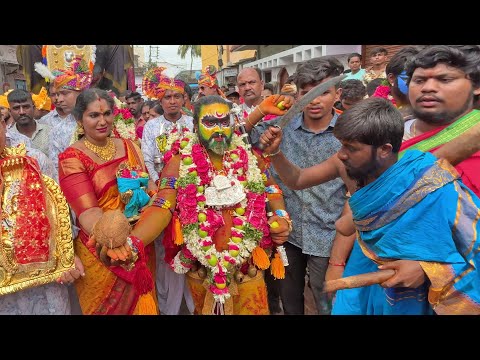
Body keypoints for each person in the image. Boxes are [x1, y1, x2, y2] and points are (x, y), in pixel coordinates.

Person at [330, 97, 480, 315]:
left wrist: (430, 270)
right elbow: (347, 226)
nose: (341, 155)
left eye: (350, 148)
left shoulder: (439, 188)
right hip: (374, 289)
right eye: (418, 79)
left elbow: (474, 245)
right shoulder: (376, 176)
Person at [151, 95, 291, 315]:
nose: (219, 130)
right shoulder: (180, 161)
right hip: (201, 268)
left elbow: (272, 190)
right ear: (195, 126)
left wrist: (281, 216)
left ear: (232, 124)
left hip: (247, 268)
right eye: (210, 123)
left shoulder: (247, 155)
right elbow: (162, 204)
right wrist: (135, 241)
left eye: (224, 122)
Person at [249, 56, 349, 315]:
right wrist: (259, 111)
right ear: (297, 94)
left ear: (337, 94)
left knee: (326, 302)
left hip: (328, 236)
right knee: (289, 301)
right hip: (286, 234)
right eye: (306, 93)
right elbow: (231, 141)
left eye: (323, 93)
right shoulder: (276, 129)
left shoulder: (348, 133)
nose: (314, 100)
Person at [58, 88, 159, 315]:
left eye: (107, 114)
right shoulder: (71, 158)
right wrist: (116, 242)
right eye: (94, 115)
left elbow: (149, 186)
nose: (102, 121)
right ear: (80, 119)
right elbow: (88, 212)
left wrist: (156, 208)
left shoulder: (129, 145)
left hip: (140, 240)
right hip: (104, 253)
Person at [0, 108, 82, 315]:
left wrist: (67, 257)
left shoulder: (33, 161)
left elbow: (58, 210)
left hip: (45, 276)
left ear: (4, 126)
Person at [140, 66, 195, 315]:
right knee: (165, 248)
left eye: (176, 96)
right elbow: (147, 160)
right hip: (163, 196)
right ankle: (167, 306)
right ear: (160, 100)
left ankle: (195, 303)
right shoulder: (152, 127)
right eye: (167, 97)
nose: (172, 101)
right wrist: (158, 189)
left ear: (184, 99)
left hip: (194, 195)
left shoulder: (193, 124)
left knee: (193, 243)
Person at [400, 45, 480, 197]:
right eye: (419, 80)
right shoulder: (386, 132)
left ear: (476, 86)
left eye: (445, 79)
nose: (428, 88)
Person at [7, 89, 52, 156]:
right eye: (16, 108)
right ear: (10, 111)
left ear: (33, 108)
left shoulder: (50, 132)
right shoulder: (7, 138)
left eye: (26, 107)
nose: (22, 112)